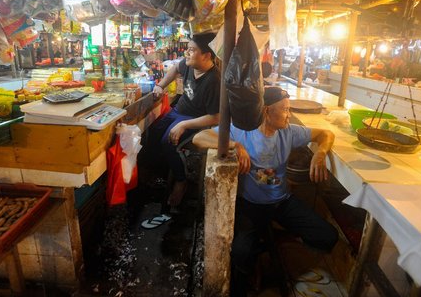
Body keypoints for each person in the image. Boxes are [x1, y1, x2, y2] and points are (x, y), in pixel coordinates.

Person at [192, 87, 338, 296]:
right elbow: (200, 137)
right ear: (267, 111)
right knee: (241, 253)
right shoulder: (242, 130)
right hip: (249, 205)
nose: (289, 115)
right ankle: (253, 265)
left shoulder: (289, 131)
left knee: (327, 236)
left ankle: (273, 241)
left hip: (282, 202)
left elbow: (326, 133)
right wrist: (235, 145)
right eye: (285, 110)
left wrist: (321, 153)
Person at [141, 33, 221, 218]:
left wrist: (185, 124)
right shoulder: (189, 64)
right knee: (152, 134)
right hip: (178, 111)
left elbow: (216, 117)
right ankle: (157, 177)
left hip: (196, 120)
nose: (187, 53)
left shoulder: (213, 80)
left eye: (192, 50)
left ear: (206, 55)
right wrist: (160, 85)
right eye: (188, 48)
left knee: (169, 142)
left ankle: (181, 181)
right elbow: (176, 68)